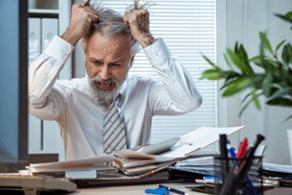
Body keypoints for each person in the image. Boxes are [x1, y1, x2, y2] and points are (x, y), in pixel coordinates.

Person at [29, 0, 203, 161]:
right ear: (85, 55)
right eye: (96, 62)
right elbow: (30, 98)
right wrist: (72, 33)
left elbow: (189, 101)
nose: (104, 75)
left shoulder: (145, 91)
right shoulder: (67, 95)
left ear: (131, 61)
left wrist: (146, 38)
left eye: (116, 64)